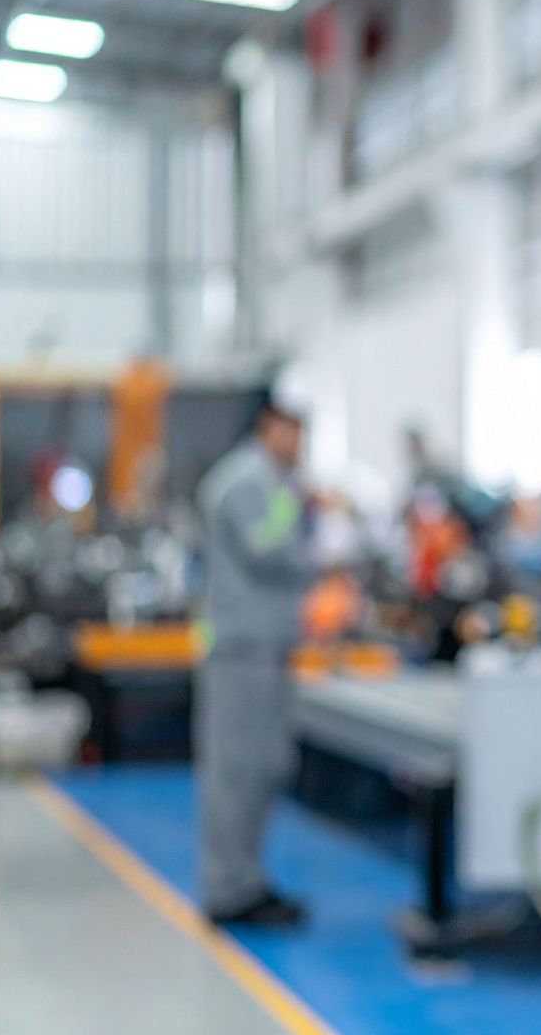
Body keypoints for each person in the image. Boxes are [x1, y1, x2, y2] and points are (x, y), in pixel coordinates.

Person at [195, 371, 325, 926]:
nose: (300, 444)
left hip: (267, 646)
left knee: (264, 766)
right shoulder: (248, 482)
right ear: (270, 426)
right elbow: (268, 549)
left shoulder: (271, 482)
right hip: (240, 651)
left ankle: (246, 879)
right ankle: (228, 889)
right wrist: (310, 518)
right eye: (293, 431)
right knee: (237, 771)